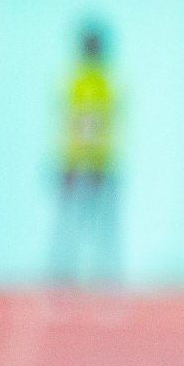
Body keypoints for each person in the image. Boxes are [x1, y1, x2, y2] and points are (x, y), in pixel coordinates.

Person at [51, 24, 120, 288]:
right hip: (79, 166)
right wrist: (68, 163)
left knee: (102, 230)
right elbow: (69, 126)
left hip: (101, 168)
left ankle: (105, 284)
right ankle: (62, 283)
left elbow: (108, 128)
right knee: (69, 227)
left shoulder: (105, 82)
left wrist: (101, 163)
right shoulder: (77, 81)